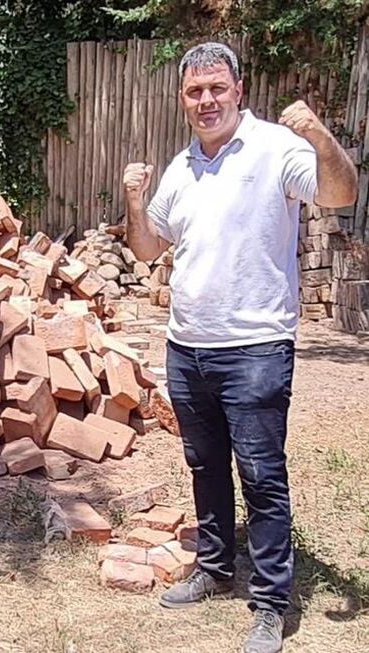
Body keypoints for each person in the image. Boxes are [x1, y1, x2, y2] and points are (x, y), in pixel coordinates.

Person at [123, 42, 356, 653]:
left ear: (239, 89)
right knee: (205, 466)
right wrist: (132, 198)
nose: (207, 101)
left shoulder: (278, 148)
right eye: (195, 91)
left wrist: (318, 134)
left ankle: (271, 603)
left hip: (255, 347)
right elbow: (148, 248)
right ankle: (217, 566)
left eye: (217, 88)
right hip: (187, 345)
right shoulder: (180, 168)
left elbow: (341, 193)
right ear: (183, 98)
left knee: (261, 475)